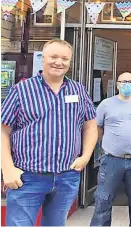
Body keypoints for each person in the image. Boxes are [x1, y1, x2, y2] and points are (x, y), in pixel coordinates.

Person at [1, 39, 98, 226]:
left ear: (70, 62)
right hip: (27, 177)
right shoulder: (22, 90)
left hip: (66, 176)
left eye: (64, 59)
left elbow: (90, 126)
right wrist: (7, 169)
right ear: (43, 58)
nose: (59, 62)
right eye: (53, 57)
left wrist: (85, 156)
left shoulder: (78, 90)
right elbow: (3, 131)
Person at [90, 72, 131, 226]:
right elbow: (97, 127)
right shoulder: (106, 104)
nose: (127, 84)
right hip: (111, 159)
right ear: (117, 84)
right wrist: (109, 141)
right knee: (103, 199)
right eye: (124, 81)